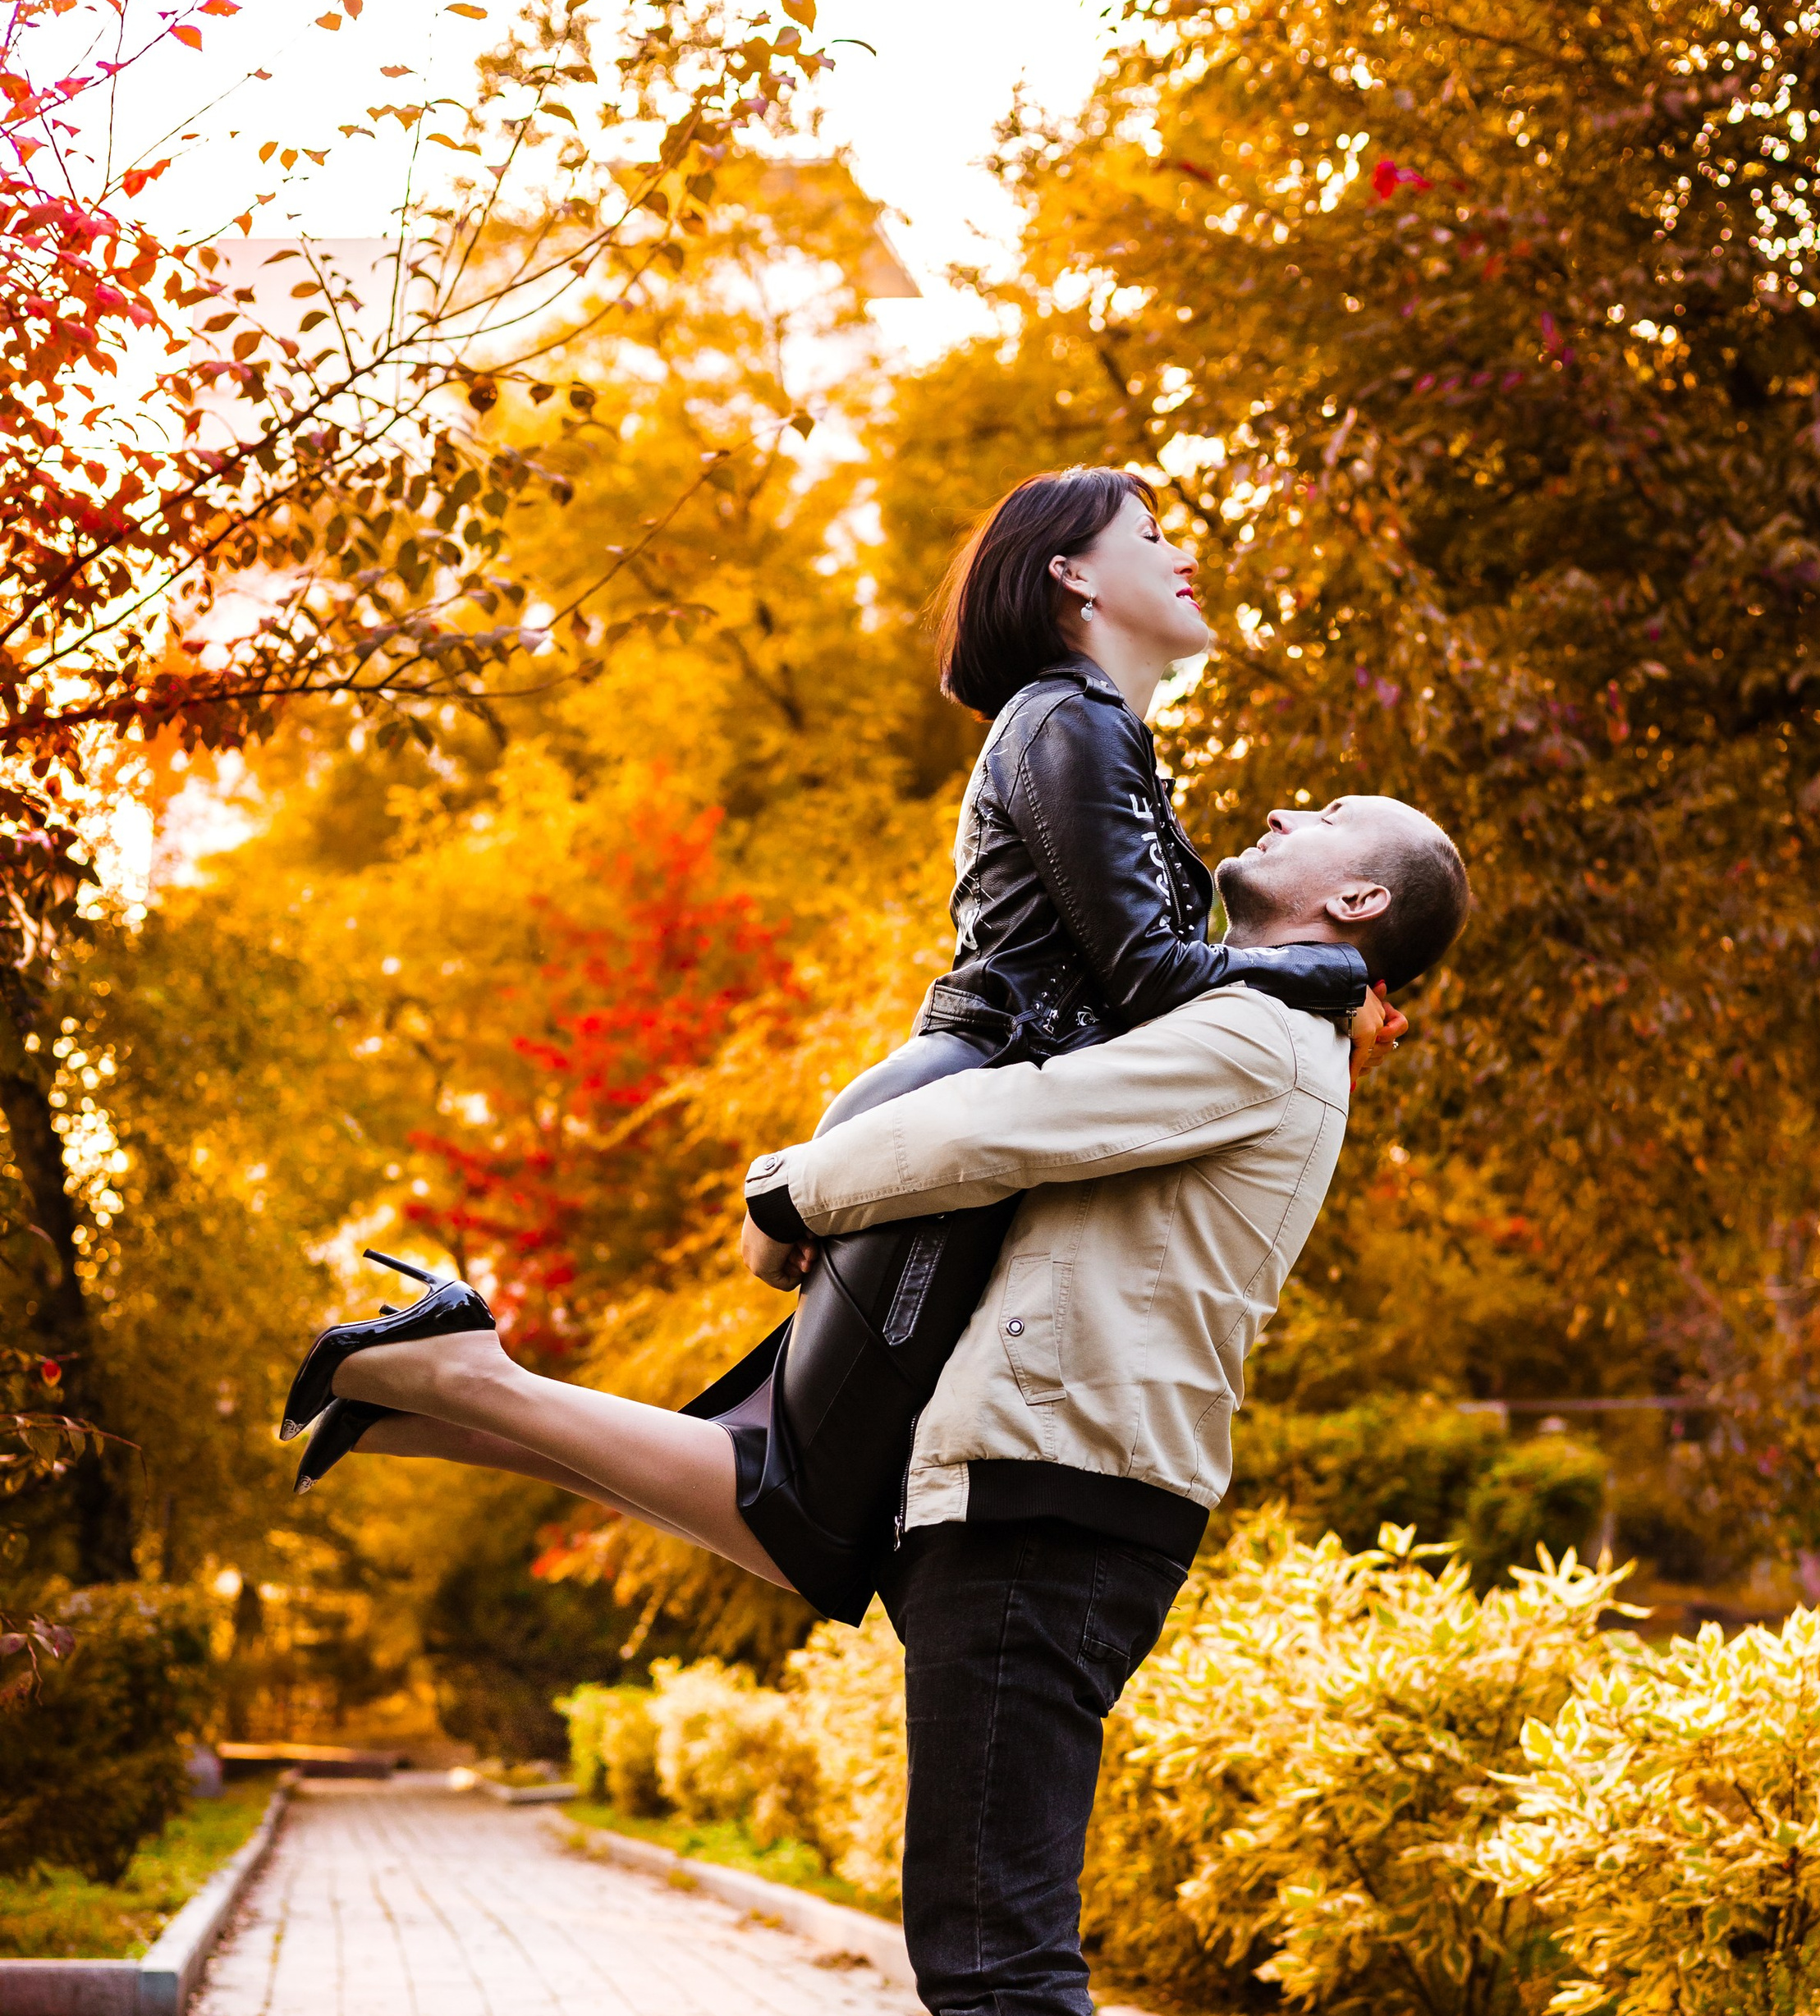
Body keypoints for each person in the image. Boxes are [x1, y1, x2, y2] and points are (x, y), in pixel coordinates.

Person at [284, 794, 1469, 2016]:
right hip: (1029, 1483)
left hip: (1056, 1506)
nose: (1279, 810)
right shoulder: (1249, 1019)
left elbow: (1013, 1126)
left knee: (996, 1957)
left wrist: (790, 1194)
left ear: (1356, 895)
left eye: (1323, 817)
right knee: (993, 1940)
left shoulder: (1264, 1028)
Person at [287, 468, 1368, 1623]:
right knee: (793, 1502)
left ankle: (423, 1405)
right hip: (957, 1112)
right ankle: (459, 1374)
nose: (1181, 556)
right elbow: (1152, 977)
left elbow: (1161, 990)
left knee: (813, 1506)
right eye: (1151, 535)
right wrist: (1328, 973)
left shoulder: (1107, 739)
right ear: (1071, 573)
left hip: (964, 1121)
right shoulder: (1069, 717)